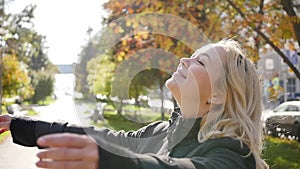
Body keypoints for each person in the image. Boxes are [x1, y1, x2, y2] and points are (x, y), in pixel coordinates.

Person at [0, 39, 269, 169]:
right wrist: (23, 125)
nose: (183, 60)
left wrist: (109, 160)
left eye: (200, 62)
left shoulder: (232, 155)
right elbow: (102, 138)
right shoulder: (159, 132)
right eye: (191, 55)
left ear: (219, 96)